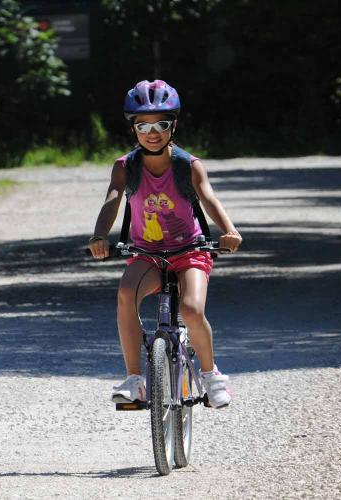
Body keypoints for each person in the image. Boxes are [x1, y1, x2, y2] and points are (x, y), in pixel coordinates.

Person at [86, 80, 243, 408]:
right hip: (147, 254)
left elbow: (208, 198)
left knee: (191, 309)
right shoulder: (125, 167)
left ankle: (212, 375)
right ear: (133, 128)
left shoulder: (188, 165)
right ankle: (134, 380)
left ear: (174, 126)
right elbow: (112, 201)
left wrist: (228, 230)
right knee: (126, 294)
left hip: (191, 251)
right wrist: (100, 236)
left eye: (161, 124)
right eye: (143, 125)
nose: (152, 132)